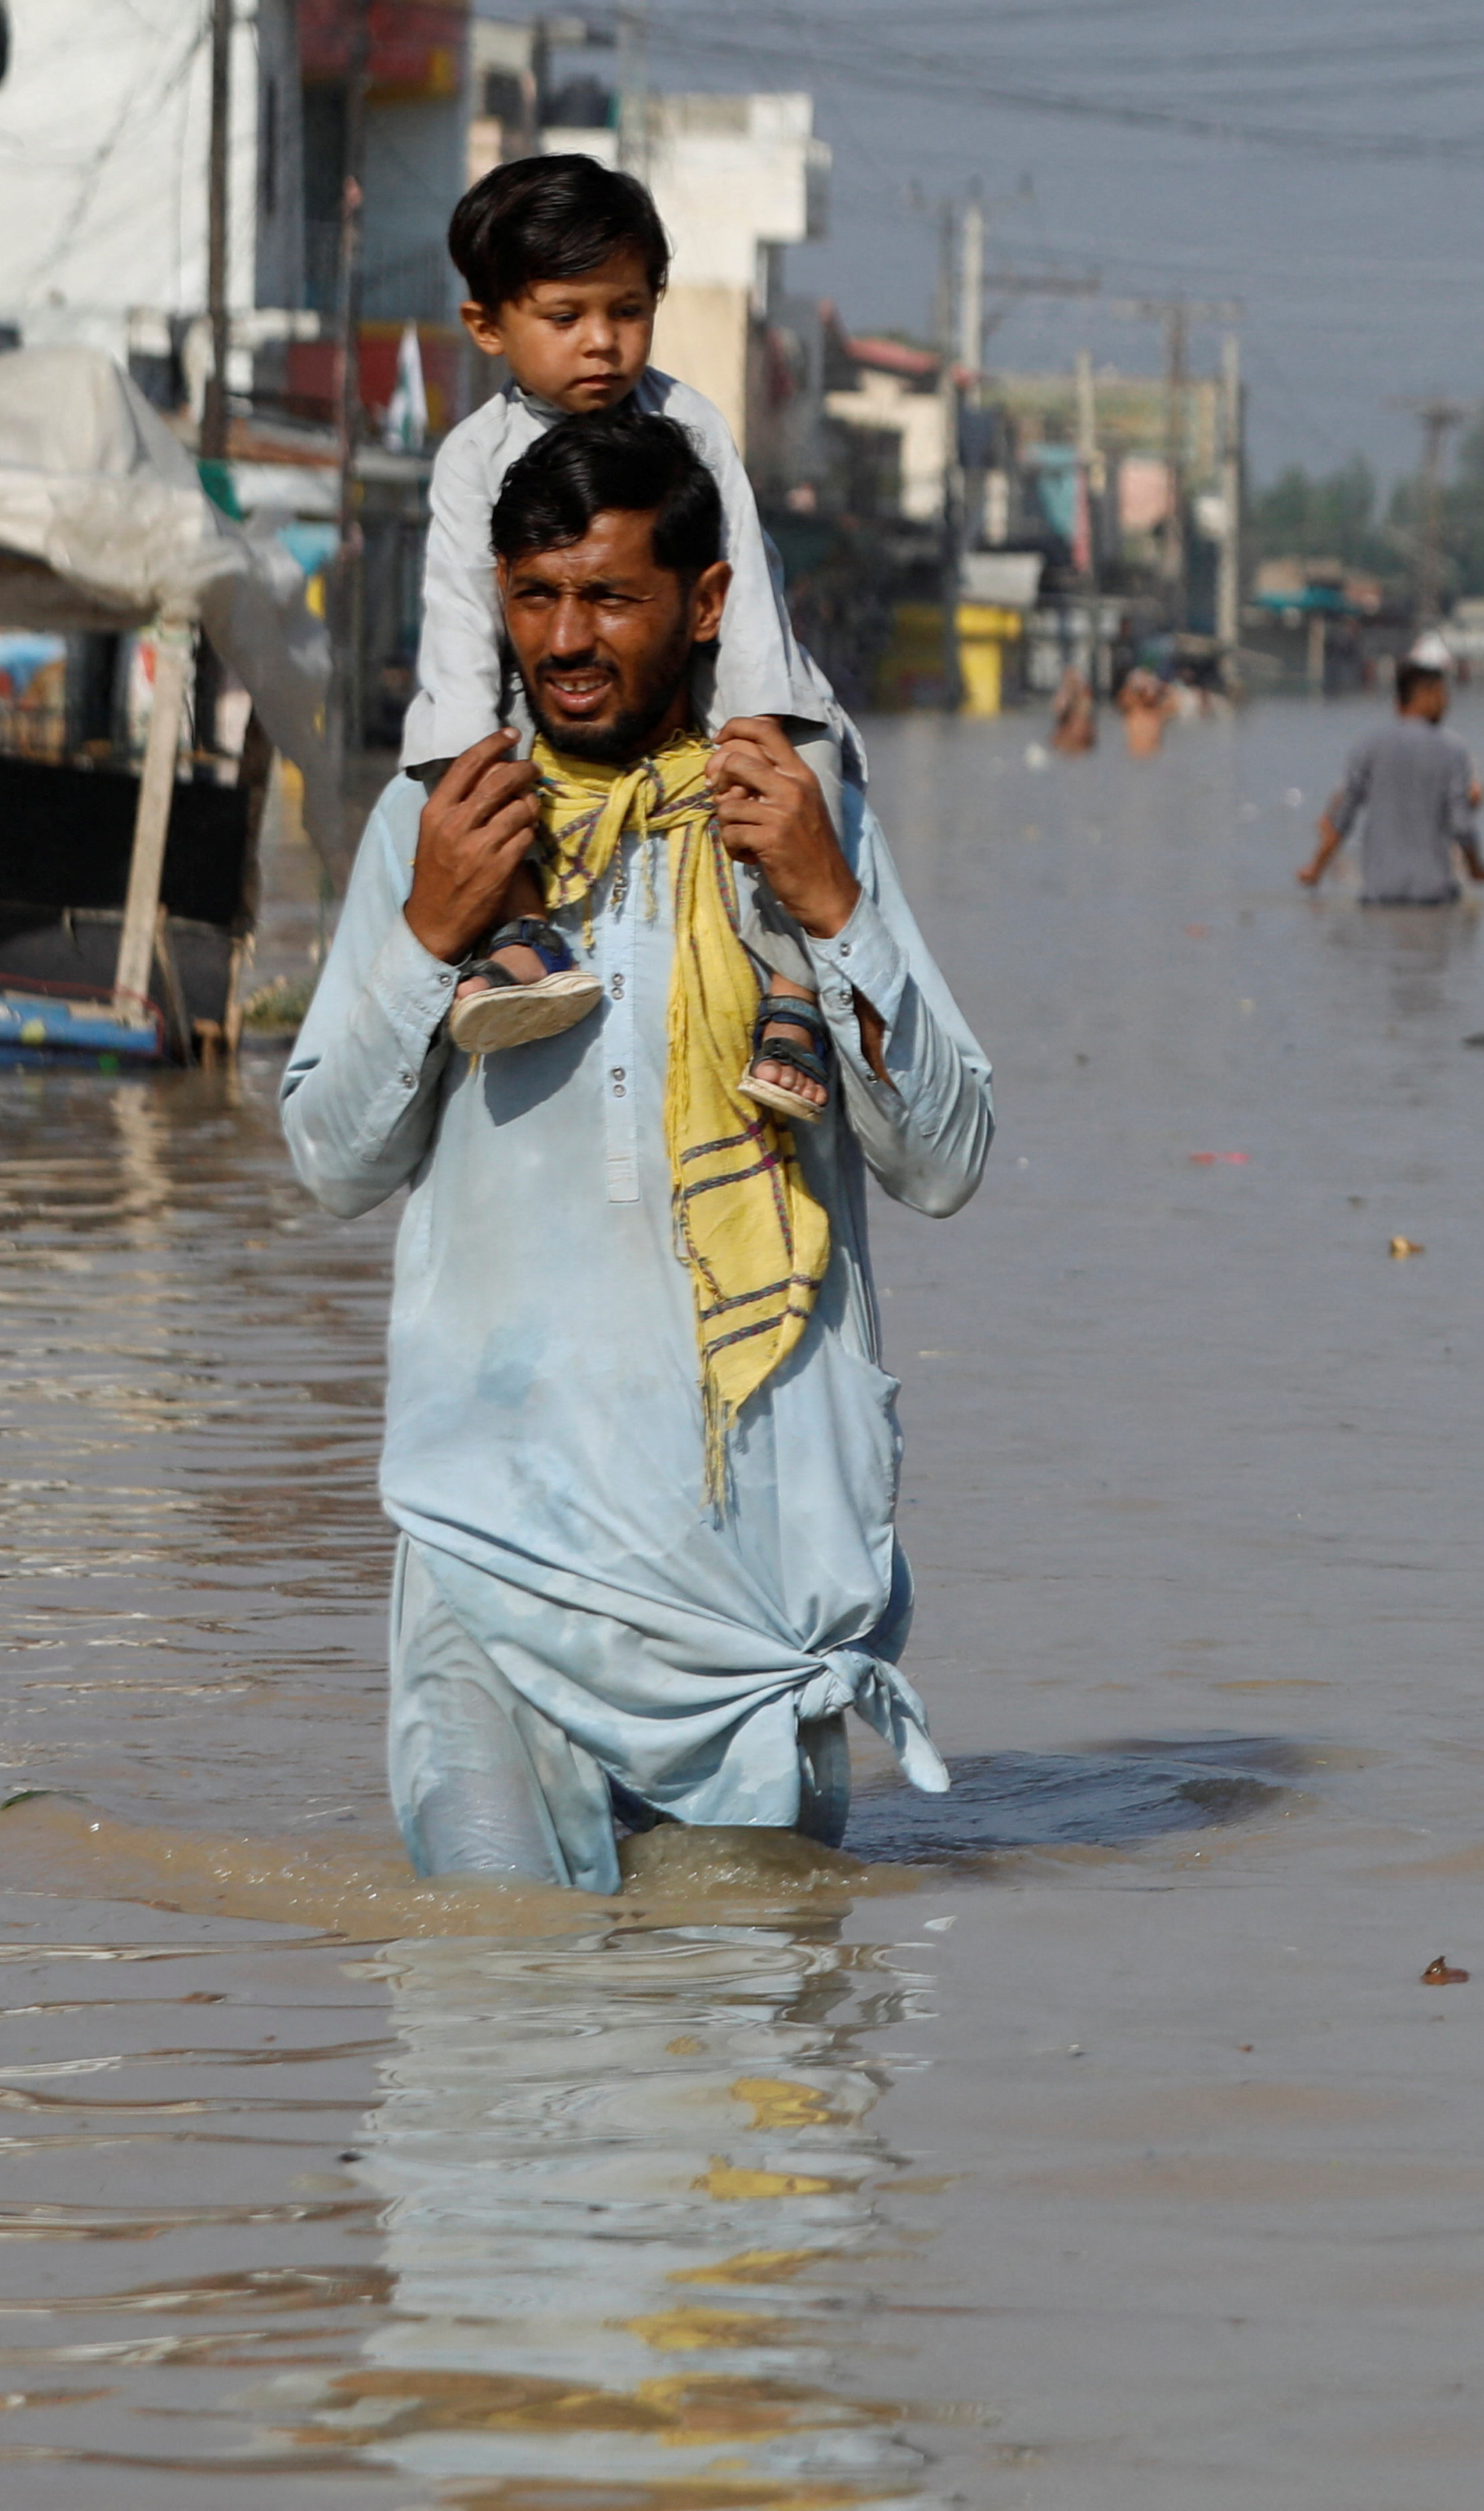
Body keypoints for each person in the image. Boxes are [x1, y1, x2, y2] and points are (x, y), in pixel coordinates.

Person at [281, 404, 996, 1892]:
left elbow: (949, 1157)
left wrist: (831, 909)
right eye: (535, 598)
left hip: (749, 1585)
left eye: (610, 596)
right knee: (495, 2015)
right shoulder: (442, 825)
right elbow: (331, 1162)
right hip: (493, 1549)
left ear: (708, 604)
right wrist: (428, 936)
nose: (567, 639)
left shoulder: (805, 816)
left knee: (751, 2045)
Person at [410, 155, 843, 1124]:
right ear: (488, 326)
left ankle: (793, 993)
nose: (602, 344)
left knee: (801, 777)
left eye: (628, 311)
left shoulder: (690, 424)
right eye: (566, 319)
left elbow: (751, 600)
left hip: (711, 687)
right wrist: (465, 755)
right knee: (466, 772)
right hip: (536, 711)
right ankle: (524, 935)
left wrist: (757, 726)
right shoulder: (472, 459)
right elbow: (456, 629)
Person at [1301, 639, 1484, 904]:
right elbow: (1463, 823)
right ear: (1427, 695)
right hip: (1434, 895)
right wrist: (1476, 868)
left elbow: (1342, 817)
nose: (1447, 704)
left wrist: (1315, 870)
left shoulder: (1368, 747)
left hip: (1378, 893)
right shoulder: (1453, 751)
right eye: (1443, 696)